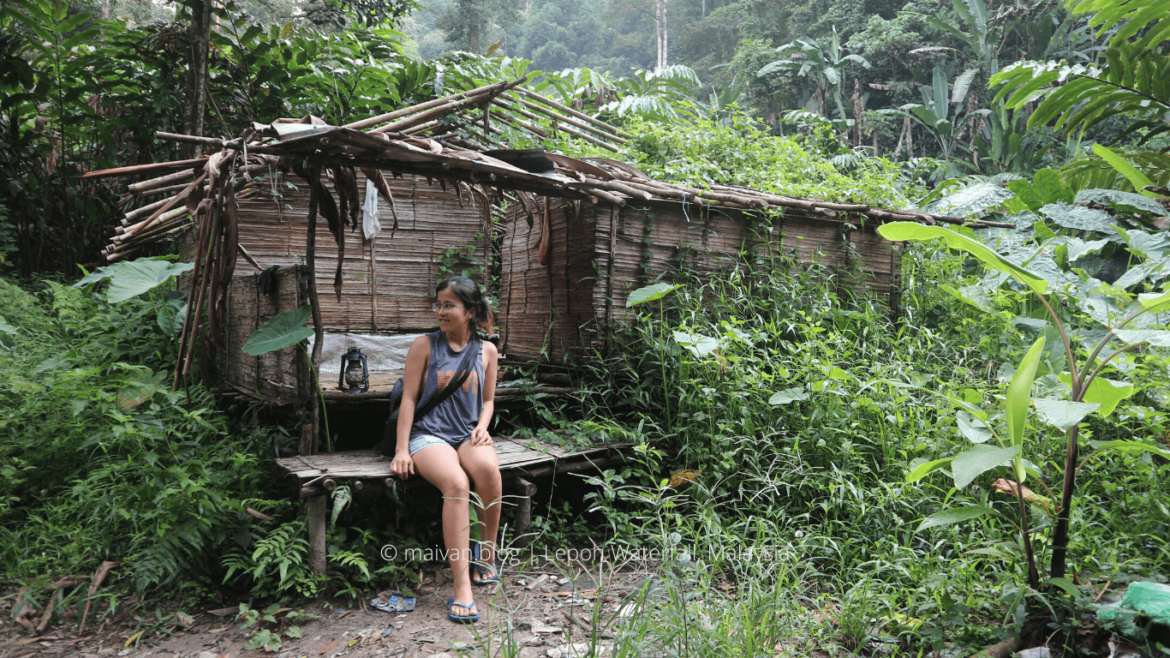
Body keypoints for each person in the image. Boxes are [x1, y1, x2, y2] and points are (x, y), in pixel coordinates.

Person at [389, 276, 501, 623]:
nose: (440, 311)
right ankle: (462, 586)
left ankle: (487, 555)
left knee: (489, 473)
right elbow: (408, 399)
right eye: (438, 304)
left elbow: (488, 400)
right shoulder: (425, 345)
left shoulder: (487, 351)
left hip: (468, 433)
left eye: (448, 305)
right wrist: (401, 449)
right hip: (429, 435)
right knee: (456, 484)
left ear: (469, 311)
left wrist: (483, 426)